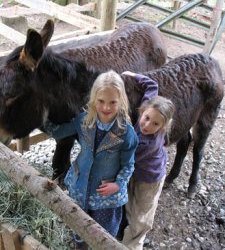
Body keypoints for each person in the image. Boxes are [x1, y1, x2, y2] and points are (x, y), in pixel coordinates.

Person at [44, 70, 139, 249]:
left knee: (102, 232)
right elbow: (58, 131)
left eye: (113, 102)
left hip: (105, 192)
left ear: (121, 102)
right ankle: (80, 246)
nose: (106, 107)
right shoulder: (83, 121)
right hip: (80, 185)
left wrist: (118, 184)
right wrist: (40, 117)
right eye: (101, 101)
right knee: (79, 223)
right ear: (94, 98)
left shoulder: (126, 133)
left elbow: (129, 164)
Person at [121, 71, 175, 250]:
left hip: (150, 178)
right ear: (143, 110)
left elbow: (128, 157)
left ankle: (133, 245)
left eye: (156, 124)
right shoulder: (148, 108)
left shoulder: (148, 143)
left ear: (163, 126)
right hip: (138, 171)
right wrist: (133, 75)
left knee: (141, 214)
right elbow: (152, 86)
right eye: (147, 118)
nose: (147, 125)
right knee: (129, 204)